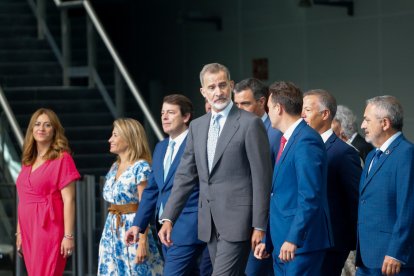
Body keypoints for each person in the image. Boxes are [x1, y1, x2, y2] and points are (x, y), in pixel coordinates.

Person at [158, 63, 272, 275]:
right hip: (208, 222)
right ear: (203, 91)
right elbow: (185, 175)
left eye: (222, 85)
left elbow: (261, 178)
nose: (218, 92)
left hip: (239, 222)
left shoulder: (249, 123)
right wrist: (169, 217)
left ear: (231, 85)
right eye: (211, 87)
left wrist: (260, 225)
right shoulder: (197, 126)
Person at [255, 81, 333, 275]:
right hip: (283, 242)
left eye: (268, 108)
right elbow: (280, 195)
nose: (267, 113)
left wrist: (293, 238)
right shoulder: (288, 139)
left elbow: (309, 196)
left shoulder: (306, 139)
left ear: (278, 108)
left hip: (300, 244)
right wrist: (269, 240)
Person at [124, 95, 206, 275]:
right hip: (164, 230)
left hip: (188, 226)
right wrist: (138, 224)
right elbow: (152, 190)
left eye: (171, 113)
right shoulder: (161, 147)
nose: (164, 117)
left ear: (186, 117)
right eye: (162, 113)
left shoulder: (197, 144)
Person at [302, 89, 361, 275]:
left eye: (308, 110)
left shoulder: (344, 152)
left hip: (333, 243)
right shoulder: (303, 147)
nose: (302, 115)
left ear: (325, 114)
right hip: (309, 239)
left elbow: (355, 200)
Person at [15, 108, 80, 275]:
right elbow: (23, 199)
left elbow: (69, 200)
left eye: (47, 125)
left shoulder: (62, 158)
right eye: (37, 124)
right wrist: (19, 232)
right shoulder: (28, 160)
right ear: (31, 130)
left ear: (55, 130)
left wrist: (68, 236)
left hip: (49, 227)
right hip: (28, 229)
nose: (41, 128)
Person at [356, 96, 414, 276]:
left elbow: (408, 208)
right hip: (368, 258)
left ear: (385, 123)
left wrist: (396, 252)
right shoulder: (373, 155)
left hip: (391, 260)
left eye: (367, 120)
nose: (363, 126)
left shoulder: (406, 153)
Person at [98, 118, 163, 276]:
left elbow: (145, 205)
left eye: (115, 135)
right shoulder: (115, 166)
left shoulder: (141, 167)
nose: (110, 139)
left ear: (129, 138)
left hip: (133, 228)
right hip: (111, 230)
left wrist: (142, 242)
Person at [233, 77, 282, 276]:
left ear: (262, 102)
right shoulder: (236, 127)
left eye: (245, 103)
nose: (239, 109)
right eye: (236, 104)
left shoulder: (276, 132)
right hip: (240, 220)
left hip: (265, 223)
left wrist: (262, 227)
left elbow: (272, 183)